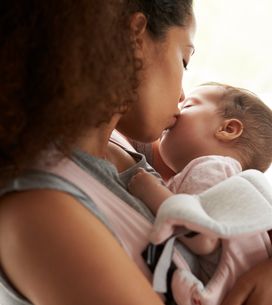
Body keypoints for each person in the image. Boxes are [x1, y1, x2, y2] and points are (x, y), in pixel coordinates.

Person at [0, 2, 271, 305]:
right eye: (184, 60)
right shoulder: (40, 210)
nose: (182, 95)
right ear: (135, 41)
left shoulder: (119, 148)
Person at [128, 82, 272, 256]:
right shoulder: (221, 176)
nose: (178, 110)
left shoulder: (214, 167)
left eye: (188, 105)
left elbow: (203, 237)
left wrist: (150, 191)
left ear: (227, 129)